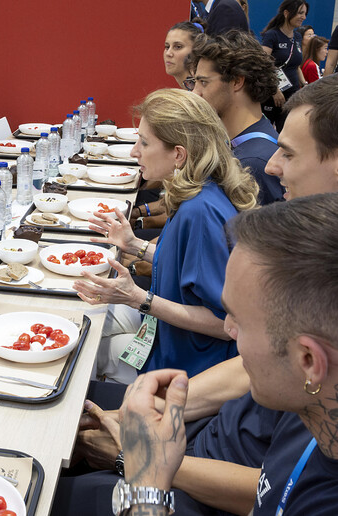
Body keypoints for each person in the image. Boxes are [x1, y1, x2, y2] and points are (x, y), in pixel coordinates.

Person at [52, 76, 338, 516]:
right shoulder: (298, 388)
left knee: (54, 487)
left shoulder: (313, 461)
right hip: (201, 435)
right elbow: (242, 369)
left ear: (309, 361)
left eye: (289, 152)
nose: (273, 167)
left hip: (192, 464)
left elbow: (267, 489)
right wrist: (149, 422)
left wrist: (141, 461)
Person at [114, 192, 338, 516]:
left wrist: (147, 480)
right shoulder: (307, 410)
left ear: (308, 361)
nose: (228, 330)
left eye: (240, 321)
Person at [73, 89, 258, 383]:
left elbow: (226, 324)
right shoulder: (199, 191)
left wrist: (139, 299)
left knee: (84, 346)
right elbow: (187, 264)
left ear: (179, 154)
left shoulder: (199, 212)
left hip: (189, 362)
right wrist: (134, 245)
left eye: (144, 143)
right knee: (80, 316)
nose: (134, 151)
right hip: (170, 334)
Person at [188, 30, 284, 204]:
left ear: (237, 81)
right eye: (194, 82)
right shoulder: (248, 143)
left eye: (203, 82)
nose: (195, 93)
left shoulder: (254, 164)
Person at [261, 0, 308, 132]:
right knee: (267, 133)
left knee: (287, 133)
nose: (303, 17)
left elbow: (296, 66)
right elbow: (263, 64)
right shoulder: (272, 35)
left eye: (305, 14)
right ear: (287, 13)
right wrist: (274, 90)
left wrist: (304, 86)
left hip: (291, 97)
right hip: (271, 96)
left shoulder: (297, 37)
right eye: (300, 13)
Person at [163, 22, 203, 89]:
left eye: (178, 47)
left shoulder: (204, 94)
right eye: (167, 47)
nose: (168, 53)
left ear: (196, 50)